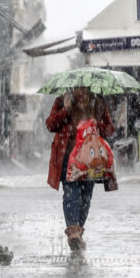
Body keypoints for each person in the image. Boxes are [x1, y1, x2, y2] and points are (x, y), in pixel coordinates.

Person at [46, 85, 115, 253]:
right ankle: (73, 233)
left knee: (85, 197)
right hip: (67, 157)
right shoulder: (62, 101)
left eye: (83, 88)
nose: (80, 91)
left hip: (90, 160)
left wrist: (98, 124)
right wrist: (66, 110)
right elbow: (50, 125)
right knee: (71, 194)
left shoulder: (97, 102)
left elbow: (109, 130)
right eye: (77, 88)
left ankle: (78, 232)